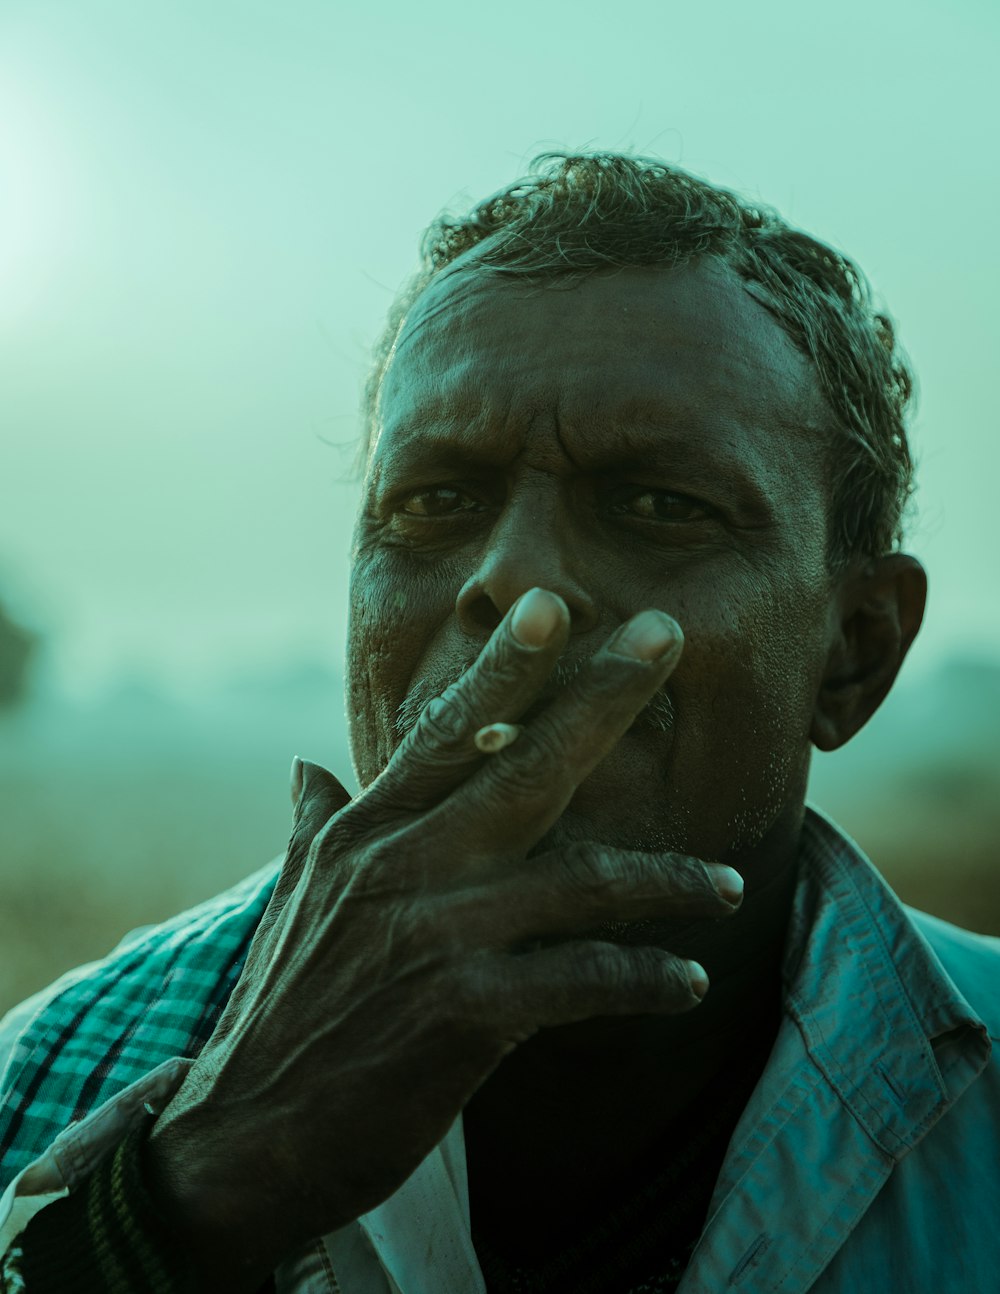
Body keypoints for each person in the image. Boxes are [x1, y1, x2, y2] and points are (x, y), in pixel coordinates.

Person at [1, 151, 997, 1294]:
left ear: (854, 650)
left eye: (659, 504)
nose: (513, 583)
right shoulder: (46, 1076)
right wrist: (177, 1203)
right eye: (434, 501)